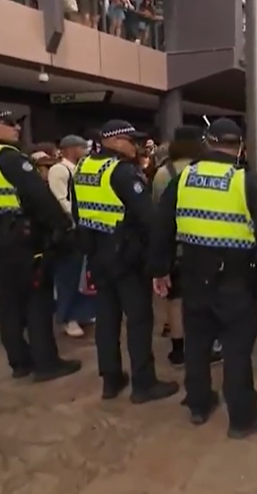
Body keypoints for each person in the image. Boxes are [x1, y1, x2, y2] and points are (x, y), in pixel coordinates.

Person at [148, 118, 257, 434]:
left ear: (208, 143)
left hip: (193, 277)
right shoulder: (248, 182)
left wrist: (159, 269)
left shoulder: (183, 179)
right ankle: (242, 418)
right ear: (240, 146)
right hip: (235, 281)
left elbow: (162, 228)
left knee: (196, 345)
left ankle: (199, 404)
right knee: (237, 350)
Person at [0, 110, 81, 381]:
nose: (16, 128)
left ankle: (19, 362)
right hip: (21, 236)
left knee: (8, 300)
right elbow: (38, 195)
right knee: (37, 299)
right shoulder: (9, 157)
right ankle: (47, 363)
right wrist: (63, 225)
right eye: (9, 124)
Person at [72, 120, 178, 403]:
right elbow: (150, 218)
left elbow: (77, 212)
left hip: (97, 254)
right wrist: (159, 259)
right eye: (132, 140)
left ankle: (111, 379)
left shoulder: (83, 168)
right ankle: (144, 384)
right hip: (126, 258)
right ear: (116, 141)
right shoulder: (121, 173)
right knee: (139, 320)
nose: (136, 146)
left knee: (107, 318)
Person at [150, 125, 223, 367]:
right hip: (205, 245)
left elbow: (158, 213)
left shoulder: (163, 173)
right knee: (207, 298)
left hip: (174, 245)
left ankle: (178, 350)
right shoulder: (208, 171)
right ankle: (209, 345)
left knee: (175, 298)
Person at [47, 134, 95, 338]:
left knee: (81, 275)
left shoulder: (79, 169)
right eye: (82, 147)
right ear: (71, 149)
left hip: (81, 229)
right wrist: (78, 217)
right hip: (70, 230)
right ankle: (66, 317)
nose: (85, 151)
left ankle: (82, 312)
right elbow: (60, 200)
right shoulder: (59, 170)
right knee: (68, 276)